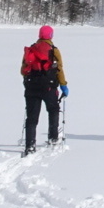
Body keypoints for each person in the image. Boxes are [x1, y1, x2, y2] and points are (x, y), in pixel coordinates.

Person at [21, 24, 67, 157]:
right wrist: (63, 85)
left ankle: (30, 145)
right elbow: (59, 69)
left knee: (32, 117)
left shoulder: (31, 50)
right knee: (53, 111)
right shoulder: (54, 50)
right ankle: (53, 139)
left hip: (31, 88)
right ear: (51, 36)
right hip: (49, 87)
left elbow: (22, 70)